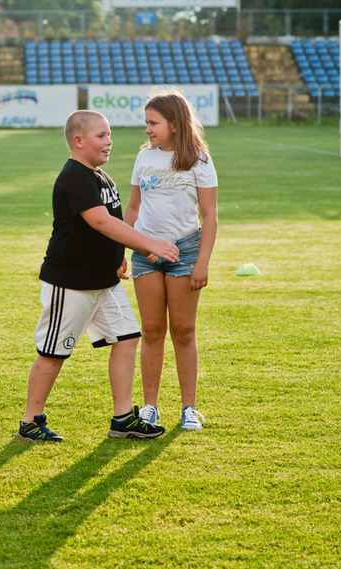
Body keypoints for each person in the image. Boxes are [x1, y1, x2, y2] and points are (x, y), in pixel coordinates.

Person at [17, 110, 181, 443]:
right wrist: (152, 244)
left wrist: (121, 255)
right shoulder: (75, 176)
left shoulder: (101, 177)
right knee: (53, 352)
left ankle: (122, 419)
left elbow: (114, 225)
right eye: (101, 136)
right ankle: (30, 422)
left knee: (127, 336)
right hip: (71, 282)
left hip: (102, 280)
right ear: (78, 141)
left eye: (109, 135)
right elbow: (101, 222)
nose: (109, 142)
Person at [124, 90, 218, 431]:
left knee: (183, 330)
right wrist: (124, 249)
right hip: (145, 252)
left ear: (175, 125)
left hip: (185, 253)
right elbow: (132, 209)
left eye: (153, 123)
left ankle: (189, 408)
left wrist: (202, 262)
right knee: (151, 330)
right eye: (147, 123)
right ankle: (150, 407)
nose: (147, 130)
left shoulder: (200, 160)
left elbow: (209, 216)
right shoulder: (144, 158)